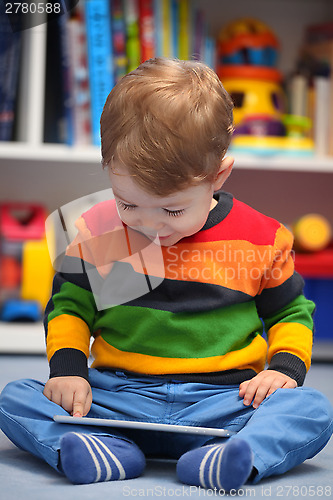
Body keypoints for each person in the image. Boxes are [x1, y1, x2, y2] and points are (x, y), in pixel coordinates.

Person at [0, 58, 332, 491]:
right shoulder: (97, 231)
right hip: (116, 399)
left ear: (218, 176)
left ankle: (228, 458)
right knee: (16, 398)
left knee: (310, 409)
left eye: (172, 209)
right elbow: (70, 307)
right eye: (128, 204)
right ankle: (106, 452)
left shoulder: (263, 238)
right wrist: (69, 371)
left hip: (224, 403)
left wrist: (283, 369)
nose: (148, 225)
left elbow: (290, 312)